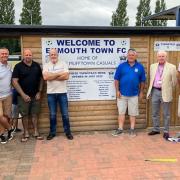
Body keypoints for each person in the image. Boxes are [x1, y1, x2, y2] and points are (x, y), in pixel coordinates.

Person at [112, 48, 146, 137]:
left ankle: (132, 129)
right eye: (129, 55)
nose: (131, 56)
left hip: (134, 95)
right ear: (127, 56)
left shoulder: (140, 67)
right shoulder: (121, 66)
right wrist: (117, 91)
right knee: (121, 112)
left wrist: (141, 92)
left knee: (133, 113)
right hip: (122, 94)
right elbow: (116, 79)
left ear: (136, 56)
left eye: (133, 55)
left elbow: (142, 81)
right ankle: (120, 129)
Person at [12, 49, 43, 142]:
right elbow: (14, 81)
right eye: (26, 55)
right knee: (25, 115)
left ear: (32, 55)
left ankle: (36, 132)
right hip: (22, 96)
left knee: (35, 114)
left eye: (29, 55)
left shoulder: (37, 65)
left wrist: (39, 92)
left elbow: (41, 79)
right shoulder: (18, 66)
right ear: (23, 56)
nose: (28, 56)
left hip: (35, 96)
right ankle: (26, 133)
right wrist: (23, 94)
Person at [43, 48, 73, 140]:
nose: (53, 56)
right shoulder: (46, 65)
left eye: (54, 54)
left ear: (57, 55)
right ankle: (52, 133)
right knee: (52, 114)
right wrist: (59, 74)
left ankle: (68, 132)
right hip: (51, 94)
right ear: (49, 56)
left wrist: (52, 76)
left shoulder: (63, 63)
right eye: (51, 54)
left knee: (65, 114)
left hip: (62, 93)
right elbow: (45, 77)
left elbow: (66, 76)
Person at [147, 50, 177, 140]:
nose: (161, 58)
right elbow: (151, 79)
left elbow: (174, 82)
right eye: (159, 56)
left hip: (165, 92)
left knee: (166, 114)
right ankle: (156, 129)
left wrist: (167, 88)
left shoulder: (172, 67)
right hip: (155, 91)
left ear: (166, 57)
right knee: (154, 112)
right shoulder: (152, 66)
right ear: (157, 57)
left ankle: (166, 131)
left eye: (163, 56)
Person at [0, 48, 15, 144]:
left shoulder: (9, 66)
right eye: (2, 54)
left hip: (8, 95)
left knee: (6, 116)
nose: (4, 55)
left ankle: (2, 134)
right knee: (0, 115)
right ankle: (10, 128)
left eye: (6, 54)